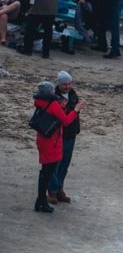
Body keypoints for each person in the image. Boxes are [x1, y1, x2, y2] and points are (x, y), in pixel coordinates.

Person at [32, 80, 83, 213]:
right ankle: (43, 200)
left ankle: (41, 201)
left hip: (43, 140)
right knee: (48, 172)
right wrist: (76, 110)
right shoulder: (53, 104)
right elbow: (65, 121)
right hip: (52, 142)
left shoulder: (40, 102)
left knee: (44, 172)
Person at [46, 71, 80, 205]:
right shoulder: (54, 97)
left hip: (70, 134)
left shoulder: (72, 95)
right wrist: (74, 109)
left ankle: (59, 188)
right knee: (55, 163)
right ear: (59, 84)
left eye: (69, 83)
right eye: (64, 84)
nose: (67, 87)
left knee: (65, 163)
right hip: (58, 135)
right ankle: (52, 191)